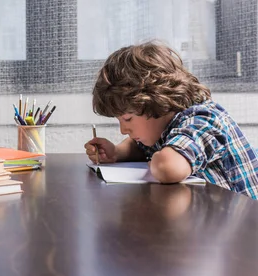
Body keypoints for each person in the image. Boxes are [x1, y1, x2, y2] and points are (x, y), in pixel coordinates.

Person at [84, 42, 258, 199]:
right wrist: (115, 153)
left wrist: (159, 160)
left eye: (127, 119)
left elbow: (168, 168)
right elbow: (139, 146)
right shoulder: (163, 124)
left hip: (245, 227)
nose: (123, 130)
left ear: (154, 101)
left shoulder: (203, 121)